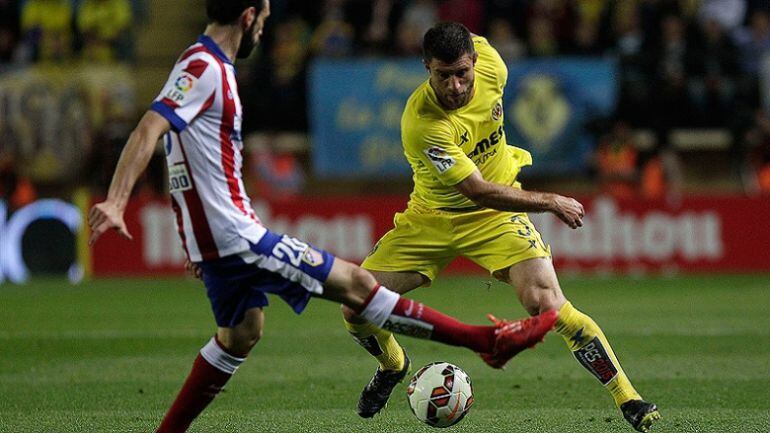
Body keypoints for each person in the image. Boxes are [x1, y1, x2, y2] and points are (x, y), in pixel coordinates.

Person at [86, 3, 558, 432]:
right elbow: (153, 127)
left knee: (241, 333)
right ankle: (486, 341)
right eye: (266, 18)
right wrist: (117, 197)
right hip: (235, 234)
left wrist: (198, 243)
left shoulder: (211, 66)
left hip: (219, 236)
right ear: (249, 16)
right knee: (358, 287)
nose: (266, 26)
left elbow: (189, 158)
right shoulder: (204, 67)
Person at [339, 22, 660, 433]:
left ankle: (628, 398)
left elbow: (489, 200)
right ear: (426, 69)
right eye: (442, 75)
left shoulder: (492, 63)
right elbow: (476, 191)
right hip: (432, 218)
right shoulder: (423, 124)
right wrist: (551, 200)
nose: (454, 85)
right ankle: (392, 365)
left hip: (496, 218)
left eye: (461, 72)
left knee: (547, 304)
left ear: (474, 61)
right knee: (354, 305)